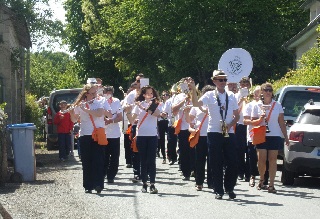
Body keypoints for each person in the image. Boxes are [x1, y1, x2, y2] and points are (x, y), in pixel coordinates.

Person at [190, 70, 239, 199]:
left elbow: (237, 115)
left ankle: (229, 187)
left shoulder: (232, 96)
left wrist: (230, 124)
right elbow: (195, 104)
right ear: (214, 81)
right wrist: (193, 90)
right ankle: (218, 189)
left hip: (229, 132)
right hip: (214, 132)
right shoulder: (210, 95)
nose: (223, 82)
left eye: (225, 80)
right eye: (220, 80)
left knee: (233, 162)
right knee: (215, 162)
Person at [70, 83, 111, 194]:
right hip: (85, 135)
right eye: (92, 93)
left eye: (95, 93)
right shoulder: (80, 104)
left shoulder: (100, 102)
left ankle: (98, 184)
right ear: (86, 93)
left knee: (98, 160)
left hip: (98, 134)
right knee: (86, 161)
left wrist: (86, 110)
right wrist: (71, 112)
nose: (94, 95)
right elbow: (74, 120)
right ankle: (88, 185)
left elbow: (99, 114)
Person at [249, 82, 289, 193]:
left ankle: (271, 184)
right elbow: (252, 122)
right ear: (261, 92)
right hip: (261, 134)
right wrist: (260, 118)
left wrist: (286, 137)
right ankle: (262, 178)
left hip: (274, 135)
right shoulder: (257, 105)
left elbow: (281, 122)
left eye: (270, 90)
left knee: (273, 160)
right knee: (261, 159)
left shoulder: (277, 105)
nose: (268, 92)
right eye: (265, 90)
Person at [125, 85, 161, 194]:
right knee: (143, 160)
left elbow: (157, 114)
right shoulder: (138, 105)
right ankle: (144, 183)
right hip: (141, 135)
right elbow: (132, 120)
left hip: (152, 135)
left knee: (152, 161)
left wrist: (143, 108)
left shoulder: (156, 104)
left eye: (151, 93)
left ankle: (153, 184)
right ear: (143, 95)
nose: (150, 95)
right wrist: (128, 111)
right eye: (147, 93)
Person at [186, 85, 215, 191]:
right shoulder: (196, 106)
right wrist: (186, 113)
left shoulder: (215, 105)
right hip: (200, 135)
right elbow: (190, 121)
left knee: (212, 160)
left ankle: (211, 182)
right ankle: (199, 182)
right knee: (200, 160)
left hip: (212, 134)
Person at [172, 77, 194, 180]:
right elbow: (174, 110)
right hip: (183, 127)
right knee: (184, 150)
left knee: (195, 151)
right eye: (187, 83)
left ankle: (195, 169)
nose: (189, 84)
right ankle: (186, 172)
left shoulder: (196, 94)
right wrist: (184, 100)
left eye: (191, 82)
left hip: (195, 126)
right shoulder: (179, 96)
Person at [103, 85, 123, 183]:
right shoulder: (100, 102)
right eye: (106, 92)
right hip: (103, 133)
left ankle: (111, 176)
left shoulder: (116, 102)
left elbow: (120, 117)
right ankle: (103, 173)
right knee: (104, 156)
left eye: (109, 92)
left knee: (115, 156)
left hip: (114, 134)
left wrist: (111, 120)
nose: (108, 94)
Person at [235, 77, 252, 181]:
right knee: (239, 149)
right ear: (239, 85)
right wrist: (241, 100)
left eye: (246, 83)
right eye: (242, 83)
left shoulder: (252, 96)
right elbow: (233, 110)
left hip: (250, 124)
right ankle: (240, 171)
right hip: (240, 124)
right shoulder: (236, 96)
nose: (244, 85)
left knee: (249, 150)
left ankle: (248, 173)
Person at [162, 88, 178, 165]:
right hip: (171, 123)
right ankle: (172, 157)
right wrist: (163, 114)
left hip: (181, 123)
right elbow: (165, 112)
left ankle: (181, 159)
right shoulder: (168, 101)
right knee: (171, 141)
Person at [157, 91, 170, 163]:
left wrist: (167, 114)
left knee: (169, 139)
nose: (165, 96)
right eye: (164, 95)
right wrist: (161, 114)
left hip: (168, 121)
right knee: (161, 139)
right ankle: (164, 157)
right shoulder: (159, 104)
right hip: (161, 122)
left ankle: (169, 154)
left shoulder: (170, 102)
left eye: (167, 94)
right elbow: (157, 112)